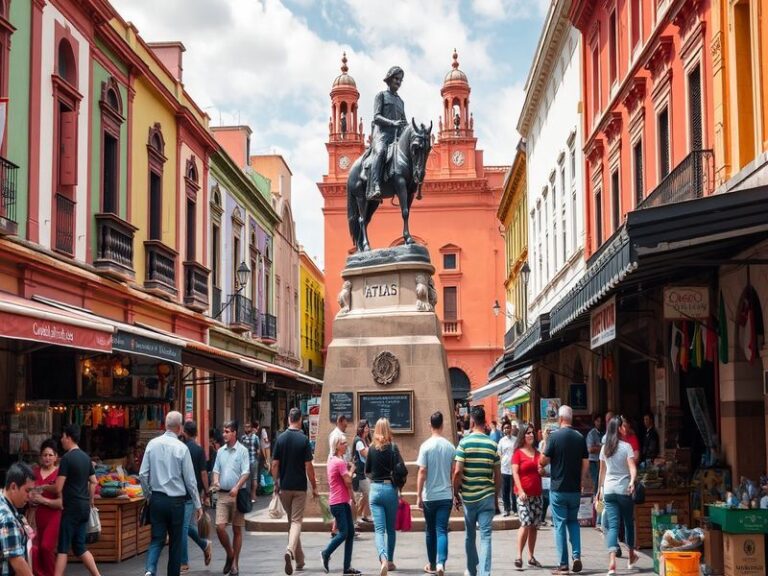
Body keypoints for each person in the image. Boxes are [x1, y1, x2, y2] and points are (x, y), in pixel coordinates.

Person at [140, 411, 203, 576]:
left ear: (165, 425)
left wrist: (148, 495)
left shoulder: (152, 444)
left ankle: (149, 570)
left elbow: (142, 474)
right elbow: (190, 481)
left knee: (156, 539)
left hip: (157, 499)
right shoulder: (182, 448)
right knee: (175, 543)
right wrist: (198, 504)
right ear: (180, 428)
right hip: (176, 502)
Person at [539, 405, 589, 575]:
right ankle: (576, 556)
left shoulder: (554, 437)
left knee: (559, 524)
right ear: (571, 418)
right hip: (574, 488)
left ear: (559, 419)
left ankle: (563, 564)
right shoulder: (580, 437)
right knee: (573, 522)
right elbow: (586, 463)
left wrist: (545, 441)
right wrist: (581, 480)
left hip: (558, 488)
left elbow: (542, 461)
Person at [453, 405, 500, 576]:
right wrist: (495, 498)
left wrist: (455, 492)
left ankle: (472, 570)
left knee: (470, 535)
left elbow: (457, 471)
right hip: (487, 495)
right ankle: (484, 573)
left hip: (469, 497)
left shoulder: (464, 443)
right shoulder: (493, 444)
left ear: (472, 421)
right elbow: (498, 475)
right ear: (485, 421)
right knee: (486, 537)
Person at [272, 408, 318, 576]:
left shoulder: (280, 439)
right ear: (299, 420)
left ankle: (300, 560)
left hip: (284, 487)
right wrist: (314, 486)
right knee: (297, 522)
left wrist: (275, 483)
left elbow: (274, 464)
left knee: (291, 522)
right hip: (299, 487)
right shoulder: (303, 440)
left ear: (288, 419)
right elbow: (309, 466)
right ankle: (290, 550)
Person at [53, 424, 101, 576]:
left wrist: (43, 489)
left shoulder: (67, 459)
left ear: (69, 437)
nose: (61, 440)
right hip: (84, 508)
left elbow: (57, 488)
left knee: (62, 547)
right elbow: (94, 481)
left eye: (63, 436)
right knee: (79, 547)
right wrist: (90, 499)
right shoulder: (86, 457)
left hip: (71, 508)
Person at [597, 416, 639, 575]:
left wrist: (599, 490)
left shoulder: (605, 448)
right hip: (623, 491)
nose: (626, 428)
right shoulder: (626, 447)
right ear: (620, 428)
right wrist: (632, 481)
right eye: (624, 426)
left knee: (613, 526)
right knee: (628, 523)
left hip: (608, 490)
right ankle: (631, 556)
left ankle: (612, 562)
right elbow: (632, 468)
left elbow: (602, 472)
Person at [416, 411, 455, 576]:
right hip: (445, 495)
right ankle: (441, 564)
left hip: (430, 496)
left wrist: (418, 495)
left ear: (429, 424)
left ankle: (432, 564)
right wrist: (455, 491)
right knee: (441, 530)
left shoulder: (425, 446)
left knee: (430, 530)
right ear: (443, 424)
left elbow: (422, 471)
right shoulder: (450, 446)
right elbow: (454, 471)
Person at [212, 420, 250, 576]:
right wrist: (215, 480)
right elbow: (216, 469)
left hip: (237, 495)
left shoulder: (242, 451)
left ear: (234, 433)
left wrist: (237, 487)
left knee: (236, 529)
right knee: (219, 527)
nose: (224, 434)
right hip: (222, 494)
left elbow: (246, 472)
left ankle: (235, 564)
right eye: (224, 431)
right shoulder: (220, 451)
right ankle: (230, 553)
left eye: (227, 431)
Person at [365, 418, 402, 576]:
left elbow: (367, 471)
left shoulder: (372, 448)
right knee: (390, 529)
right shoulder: (394, 448)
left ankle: (383, 559)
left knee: (379, 530)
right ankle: (391, 561)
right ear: (388, 429)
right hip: (390, 489)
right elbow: (400, 470)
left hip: (375, 489)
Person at [366, 66, 407, 201]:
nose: (398, 82)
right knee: (381, 152)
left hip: (396, 139)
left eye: (400, 80)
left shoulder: (401, 101)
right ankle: (375, 186)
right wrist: (392, 123)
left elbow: (404, 122)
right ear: (389, 79)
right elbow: (376, 117)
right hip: (382, 136)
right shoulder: (381, 96)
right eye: (396, 78)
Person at [320, 433, 358, 575]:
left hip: (341, 501)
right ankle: (326, 552)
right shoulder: (339, 462)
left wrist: (352, 498)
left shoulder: (333, 460)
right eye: (343, 443)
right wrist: (352, 469)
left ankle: (347, 567)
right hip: (339, 502)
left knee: (350, 533)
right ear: (336, 446)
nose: (346, 444)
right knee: (344, 533)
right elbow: (348, 481)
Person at [180, 420, 212, 572]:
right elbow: (203, 473)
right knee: (185, 526)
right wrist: (206, 491)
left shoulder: (182, 448)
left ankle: (184, 562)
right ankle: (204, 544)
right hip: (194, 491)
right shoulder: (199, 450)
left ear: (184, 433)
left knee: (184, 527)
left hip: (182, 493)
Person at [511, 423, 544, 570]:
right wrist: (521, 490)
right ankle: (519, 556)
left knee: (534, 527)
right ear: (523, 436)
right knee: (525, 523)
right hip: (523, 495)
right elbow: (515, 473)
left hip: (537, 494)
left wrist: (542, 471)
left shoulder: (537, 453)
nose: (531, 435)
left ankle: (531, 556)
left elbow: (542, 472)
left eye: (532, 433)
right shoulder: (517, 453)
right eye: (528, 433)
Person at [30, 439, 62, 576]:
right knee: (35, 550)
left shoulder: (60, 474)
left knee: (46, 547)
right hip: (36, 516)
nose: (47, 458)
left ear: (56, 457)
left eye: (50, 455)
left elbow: (61, 503)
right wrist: (31, 500)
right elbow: (27, 493)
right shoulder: (34, 472)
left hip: (54, 515)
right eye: (44, 455)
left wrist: (43, 500)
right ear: (40, 457)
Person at [0, 463, 36, 576]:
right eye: (27, 490)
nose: (30, 496)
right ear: (13, 487)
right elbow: (17, 561)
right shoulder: (7, 518)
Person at [353, 420, 372, 524]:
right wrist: (372, 448)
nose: (367, 429)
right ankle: (357, 517)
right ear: (361, 428)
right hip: (359, 473)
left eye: (368, 427)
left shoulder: (364, 441)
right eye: (365, 427)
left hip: (364, 472)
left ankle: (363, 515)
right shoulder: (358, 441)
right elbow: (365, 454)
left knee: (367, 493)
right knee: (359, 495)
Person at [498, 421, 517, 518]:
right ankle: (506, 509)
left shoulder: (516, 440)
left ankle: (515, 509)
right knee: (505, 490)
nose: (507, 429)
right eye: (505, 428)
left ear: (511, 429)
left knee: (514, 490)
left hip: (514, 468)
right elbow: (499, 454)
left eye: (508, 427)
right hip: (505, 468)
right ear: (503, 430)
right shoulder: (501, 441)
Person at [241, 420, 261, 501]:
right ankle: (252, 496)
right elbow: (258, 450)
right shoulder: (254, 437)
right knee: (252, 479)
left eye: (248, 427)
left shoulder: (244, 438)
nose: (246, 428)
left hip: (251, 461)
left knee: (250, 479)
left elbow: (258, 450)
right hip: (250, 461)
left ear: (251, 428)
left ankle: (251, 496)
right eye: (245, 427)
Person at [586, 414, 603, 495]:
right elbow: (590, 449)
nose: (599, 423)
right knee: (596, 481)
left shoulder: (603, 433)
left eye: (600, 421)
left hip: (601, 461)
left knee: (601, 481)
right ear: (594, 422)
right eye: (597, 421)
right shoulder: (591, 434)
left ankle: (599, 501)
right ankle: (596, 500)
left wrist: (597, 447)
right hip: (593, 461)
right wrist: (601, 447)